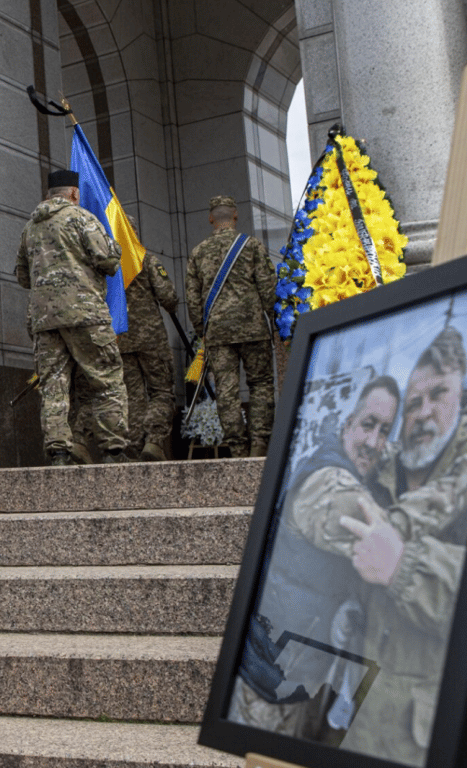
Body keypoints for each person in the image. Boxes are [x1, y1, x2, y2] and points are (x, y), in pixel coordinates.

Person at [334, 327, 467, 765]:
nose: (424, 412)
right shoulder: (383, 470)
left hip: (425, 736)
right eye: (415, 402)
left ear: (460, 398)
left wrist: (404, 567)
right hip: (361, 718)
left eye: (439, 395)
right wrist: (353, 606)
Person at [231, 375, 400, 741]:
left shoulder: (349, 467)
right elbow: (386, 536)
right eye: (367, 424)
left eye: (384, 430)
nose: (374, 441)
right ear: (346, 424)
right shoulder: (328, 482)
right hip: (273, 685)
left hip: (305, 673)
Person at [15, 169, 128, 465]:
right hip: (85, 314)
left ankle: (58, 451)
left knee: (53, 384)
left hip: (45, 320)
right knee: (106, 378)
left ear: (49, 195)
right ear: (74, 194)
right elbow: (109, 261)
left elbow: (23, 277)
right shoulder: (82, 219)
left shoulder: (30, 228)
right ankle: (113, 449)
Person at [185, 195, 277, 457]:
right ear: (235, 216)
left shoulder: (198, 253)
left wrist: (204, 330)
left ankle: (237, 448)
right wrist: (275, 322)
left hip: (218, 333)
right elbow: (268, 289)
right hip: (253, 329)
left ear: (211, 218)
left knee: (226, 389)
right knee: (260, 383)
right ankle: (259, 443)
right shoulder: (252, 246)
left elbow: (192, 299)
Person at [118, 242, 179, 462]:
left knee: (132, 398)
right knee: (161, 391)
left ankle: (134, 446)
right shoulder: (146, 259)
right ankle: (153, 440)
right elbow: (168, 297)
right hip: (151, 339)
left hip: (121, 341)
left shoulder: (107, 266)